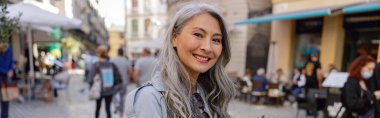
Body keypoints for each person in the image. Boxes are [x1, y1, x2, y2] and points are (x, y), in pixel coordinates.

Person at [126, 3, 236, 118]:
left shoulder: (205, 93)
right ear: (174, 38)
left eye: (216, 40)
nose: (207, 47)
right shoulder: (148, 98)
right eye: (198, 35)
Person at [89, 46, 122, 118]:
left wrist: (92, 87)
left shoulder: (96, 64)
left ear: (98, 54)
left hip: (99, 90)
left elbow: (91, 78)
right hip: (110, 89)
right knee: (108, 108)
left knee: (98, 108)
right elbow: (118, 77)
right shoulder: (112, 64)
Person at [109, 48, 132, 118]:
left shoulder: (112, 60)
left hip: (114, 82)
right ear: (123, 53)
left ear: (117, 53)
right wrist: (129, 79)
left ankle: (116, 106)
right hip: (123, 82)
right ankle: (121, 113)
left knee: (113, 95)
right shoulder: (126, 61)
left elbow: (109, 71)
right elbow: (130, 72)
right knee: (122, 97)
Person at [0, 42, 13, 118]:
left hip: (6, 79)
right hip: (1, 77)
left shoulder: (9, 50)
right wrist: (6, 72)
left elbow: (11, 61)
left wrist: (11, 70)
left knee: (6, 100)